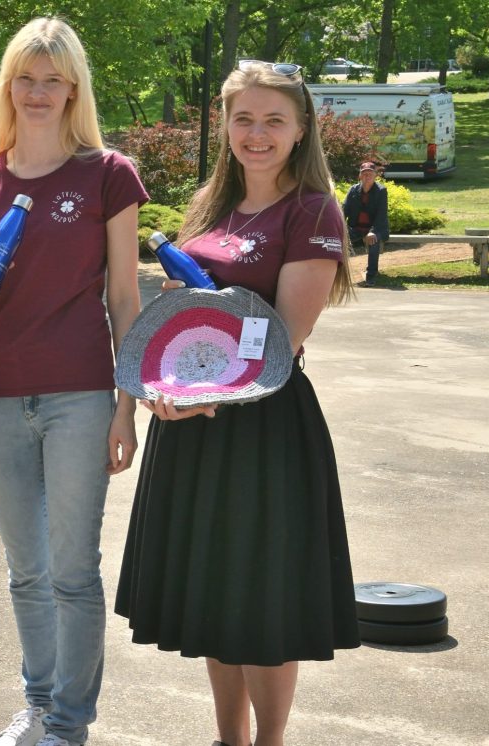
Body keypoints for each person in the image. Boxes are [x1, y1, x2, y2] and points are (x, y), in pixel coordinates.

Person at [114, 60, 360, 746]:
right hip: (193, 422)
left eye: (274, 120)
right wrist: (168, 372)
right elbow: (198, 314)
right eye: (243, 118)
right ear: (224, 125)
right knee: (217, 591)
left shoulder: (313, 210)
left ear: (301, 128)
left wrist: (196, 395)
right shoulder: (211, 204)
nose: (257, 133)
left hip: (264, 426)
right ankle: (229, 739)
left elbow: (281, 338)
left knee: (262, 597)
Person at [0, 17, 146, 746]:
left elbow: (124, 298)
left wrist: (126, 408)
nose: (37, 92)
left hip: (80, 394)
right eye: (25, 79)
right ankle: (36, 705)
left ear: (73, 90)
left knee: (72, 569)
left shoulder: (107, 174)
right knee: (25, 568)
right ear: (8, 87)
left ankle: (67, 723)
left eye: (52, 80)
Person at [342, 161, 389, 286]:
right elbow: (344, 210)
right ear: (360, 176)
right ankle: (339, 274)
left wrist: (372, 231)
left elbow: (381, 215)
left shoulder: (381, 191)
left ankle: (371, 276)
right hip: (356, 228)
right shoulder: (353, 190)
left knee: (373, 240)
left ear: (375, 176)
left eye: (370, 174)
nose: (367, 176)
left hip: (376, 228)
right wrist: (339, 227)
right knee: (338, 239)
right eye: (364, 174)